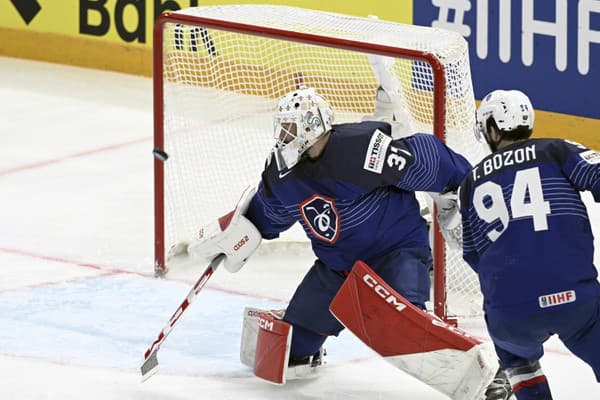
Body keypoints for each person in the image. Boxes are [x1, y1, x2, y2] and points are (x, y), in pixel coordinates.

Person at [176, 84, 512, 399]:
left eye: (290, 129)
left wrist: (459, 187)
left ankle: (491, 375)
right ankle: (314, 338)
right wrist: (239, 235)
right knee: (287, 352)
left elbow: (425, 156)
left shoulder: (361, 148)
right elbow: (268, 211)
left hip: (394, 252)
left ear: (311, 127)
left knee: (403, 324)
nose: (283, 137)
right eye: (282, 128)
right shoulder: (282, 173)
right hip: (336, 268)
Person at [458, 89, 600, 399]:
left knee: (515, 357)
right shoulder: (555, 151)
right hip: (574, 300)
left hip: (511, 314)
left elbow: (474, 256)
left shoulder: (470, 183)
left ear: (493, 130)